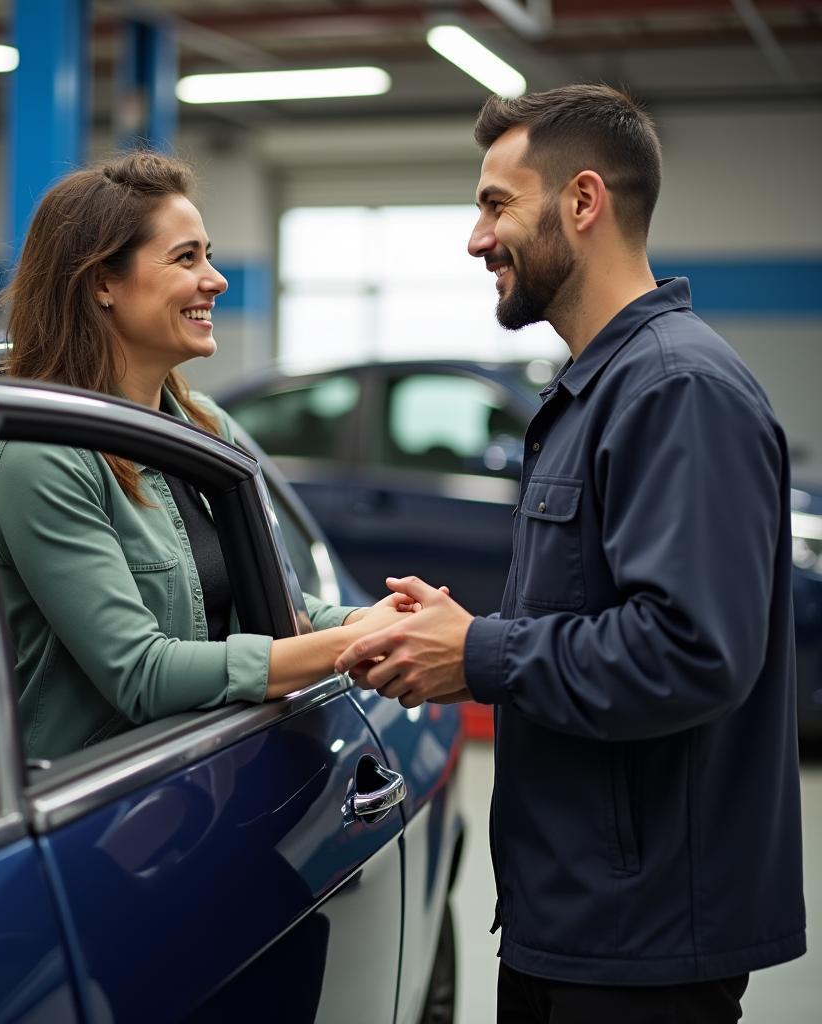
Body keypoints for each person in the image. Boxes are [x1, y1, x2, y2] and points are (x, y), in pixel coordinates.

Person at [335, 84, 805, 1022]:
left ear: (583, 202)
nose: (477, 238)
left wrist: (476, 652)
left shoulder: (675, 390)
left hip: (644, 941)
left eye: (496, 204)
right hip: (578, 915)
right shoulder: (599, 390)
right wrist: (464, 633)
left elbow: (689, 651)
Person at [0, 151, 410, 760]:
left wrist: (361, 622)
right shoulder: (47, 456)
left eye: (207, 254)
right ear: (103, 282)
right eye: (187, 258)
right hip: (100, 802)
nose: (216, 279)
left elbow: (273, 604)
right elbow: (143, 674)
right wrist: (353, 648)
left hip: (212, 769)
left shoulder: (208, 430)